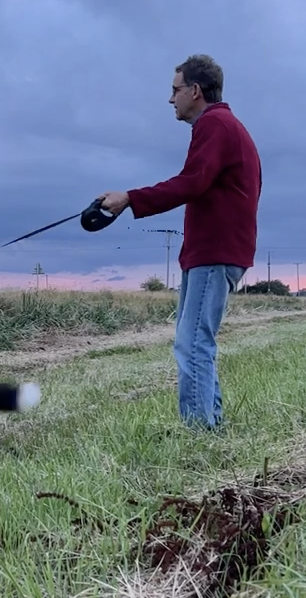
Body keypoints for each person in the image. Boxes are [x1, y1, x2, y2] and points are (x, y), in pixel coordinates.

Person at [98, 54, 262, 431]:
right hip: (213, 251)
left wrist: (130, 199)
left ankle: (199, 433)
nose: (170, 99)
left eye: (175, 90)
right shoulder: (227, 127)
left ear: (195, 90)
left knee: (192, 345)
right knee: (195, 342)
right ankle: (210, 425)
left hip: (214, 253)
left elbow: (191, 182)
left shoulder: (216, 125)